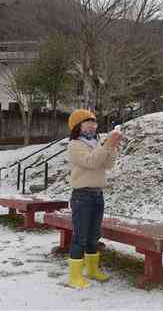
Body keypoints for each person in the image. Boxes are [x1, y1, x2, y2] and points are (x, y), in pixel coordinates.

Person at [66, 109, 122, 289]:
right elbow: (91, 162)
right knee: (80, 238)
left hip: (97, 194)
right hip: (82, 196)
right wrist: (106, 146)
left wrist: (112, 147)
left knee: (93, 237)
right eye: (87, 122)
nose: (92, 125)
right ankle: (74, 276)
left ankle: (92, 270)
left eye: (93, 122)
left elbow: (107, 164)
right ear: (77, 126)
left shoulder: (95, 142)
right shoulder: (75, 145)